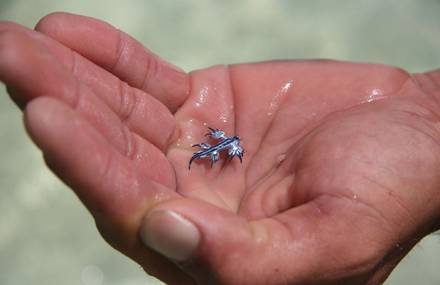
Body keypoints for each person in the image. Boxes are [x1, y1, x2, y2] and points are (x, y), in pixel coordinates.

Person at [1, 12, 439, 285]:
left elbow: (229, 148)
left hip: (220, 145)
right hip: (217, 144)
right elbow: (222, 144)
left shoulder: (229, 146)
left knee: (206, 155)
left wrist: (428, 114)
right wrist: (427, 105)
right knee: (204, 154)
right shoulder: (222, 144)